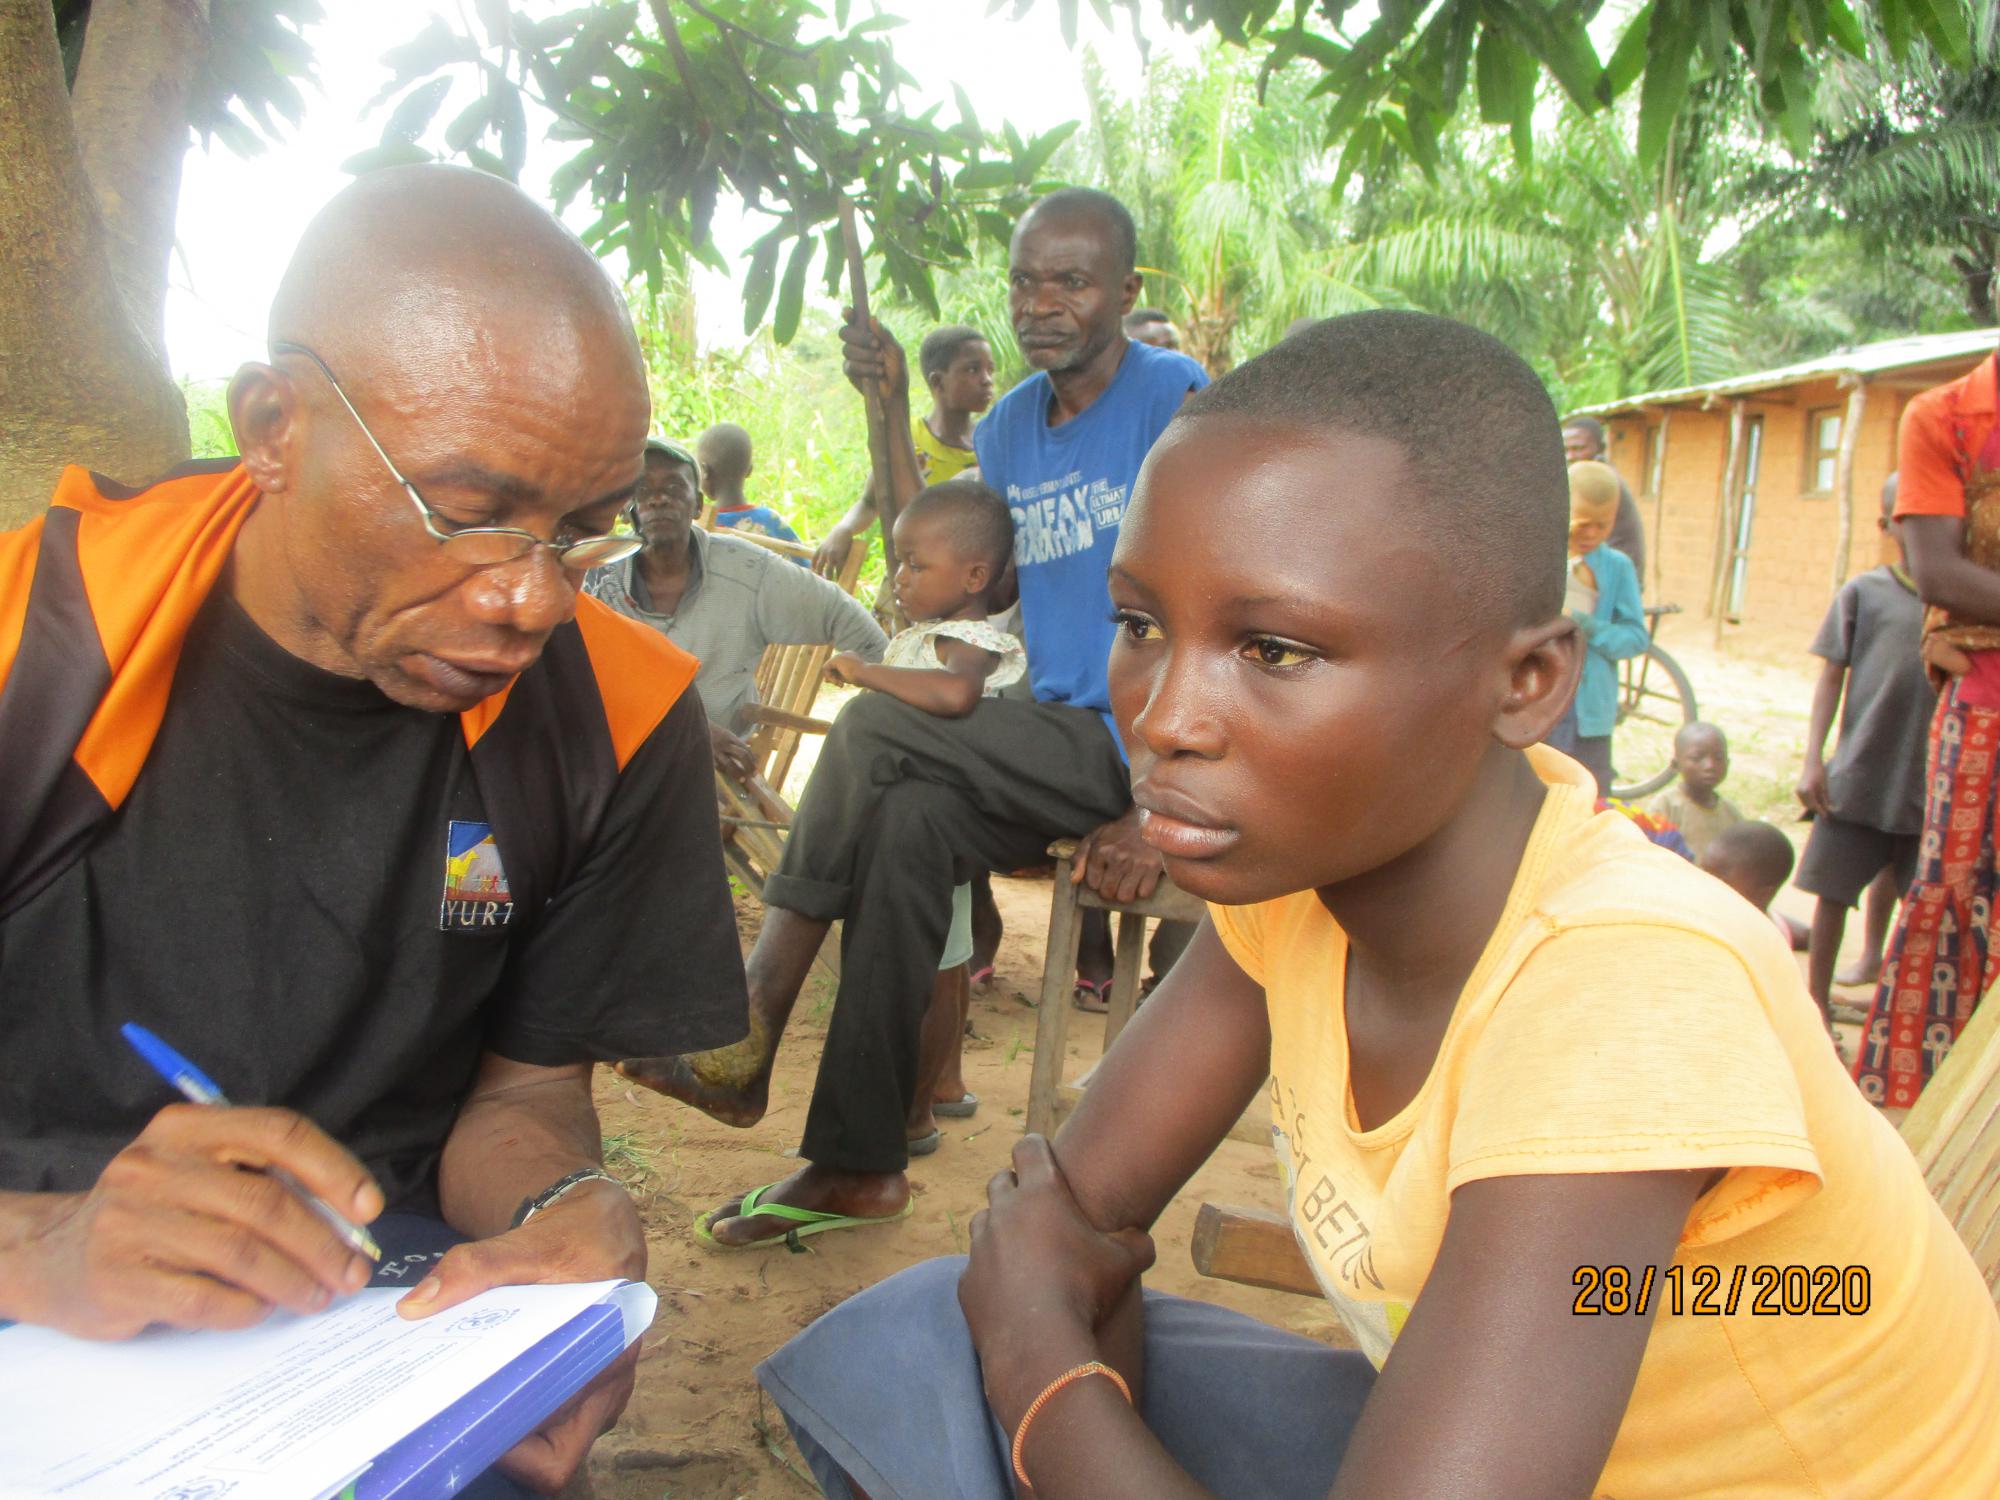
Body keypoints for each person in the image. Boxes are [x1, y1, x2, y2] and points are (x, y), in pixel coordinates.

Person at [752, 310, 2000, 1500]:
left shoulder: (1622, 985)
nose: (1166, 720)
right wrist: (1054, 1348)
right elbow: (1071, 1217)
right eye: (1141, 624)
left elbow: (1042, 1288)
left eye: (1274, 650)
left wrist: (1044, 1375)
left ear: (1524, 680)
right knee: (917, 1337)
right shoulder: (1295, 887)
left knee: (981, 1358)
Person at [0, 166, 749, 1497]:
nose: (531, 601)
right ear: (274, 426)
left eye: (581, 530)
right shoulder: (38, 652)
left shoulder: (616, 723)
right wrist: (44, 1248)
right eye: (466, 511)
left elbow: (520, 1097)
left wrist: (557, 1218)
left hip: (367, 1330)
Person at [616, 186, 1208, 1248]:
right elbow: (938, 550)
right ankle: (855, 1163)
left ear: (1122, 291)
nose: (1041, 302)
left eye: (1071, 280)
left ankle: (755, 1006)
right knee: (903, 831)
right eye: (1026, 279)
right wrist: (885, 404)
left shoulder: (1175, 398)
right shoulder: (1017, 424)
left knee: (871, 727)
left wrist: (1154, 797)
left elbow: (1216, 588)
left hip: (1126, 739)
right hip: (1038, 723)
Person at [819, 480, 1028, 1156]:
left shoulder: (967, 640)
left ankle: (915, 1112)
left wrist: (864, 674)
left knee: (933, 969)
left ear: (974, 576)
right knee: (947, 960)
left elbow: (954, 695)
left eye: (915, 563)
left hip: (932, 835)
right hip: (919, 830)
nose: (898, 578)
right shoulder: (925, 635)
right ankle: (945, 1084)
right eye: (896, 562)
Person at [584, 437, 885, 781]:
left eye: (673, 487)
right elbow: (584, 691)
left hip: (713, 775)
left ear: (697, 504)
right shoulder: (597, 580)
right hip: (620, 766)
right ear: (626, 508)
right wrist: (694, 732)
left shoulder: (746, 570)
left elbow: (844, 615)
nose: (657, 499)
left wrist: (891, 693)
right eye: (642, 490)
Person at [1795, 474, 1933, 1028]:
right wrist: (1813, 759)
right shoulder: (1865, 594)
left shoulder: (1966, 601)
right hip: (1861, 773)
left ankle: (1901, 1016)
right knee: (1832, 893)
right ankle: (1815, 1008)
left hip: (1930, 781)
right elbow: (1832, 677)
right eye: (1907, 516)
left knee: (1921, 907)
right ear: (1886, 526)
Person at [812, 325, 998, 586]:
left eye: (990, 369)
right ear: (937, 382)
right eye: (972, 369)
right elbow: (870, 501)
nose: (986, 379)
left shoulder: (993, 442)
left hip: (971, 582)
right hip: (914, 581)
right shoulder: (905, 439)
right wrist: (842, 530)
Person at [1544, 461, 1646, 794]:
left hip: (1591, 711)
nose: (1591, 535)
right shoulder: (1543, 556)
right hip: (1543, 700)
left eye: (1603, 526)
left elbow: (1634, 639)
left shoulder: (1617, 568)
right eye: (1582, 524)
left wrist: (1585, 625)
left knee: (1591, 794)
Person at [1562, 413, 1647, 582]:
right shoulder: (1586, 476)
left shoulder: (1600, 481)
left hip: (1613, 577)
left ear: (1600, 448)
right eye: (1565, 450)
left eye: (1578, 448)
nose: (1570, 456)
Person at [694, 422, 803, 549]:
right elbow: (804, 564)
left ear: (705, 471)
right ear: (749, 470)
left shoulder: (700, 526)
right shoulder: (771, 520)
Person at [1646, 721, 1743, 862]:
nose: (1710, 766)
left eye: (1719, 758)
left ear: (1728, 763)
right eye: (1697, 758)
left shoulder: (1731, 814)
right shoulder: (1666, 806)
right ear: (1675, 765)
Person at [1699, 820, 1800, 932]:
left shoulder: (1749, 935)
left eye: (1720, 880)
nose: (1705, 884)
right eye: (1703, 872)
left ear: (1763, 895)